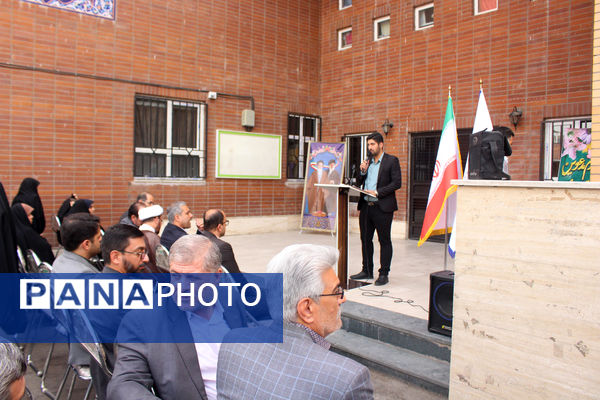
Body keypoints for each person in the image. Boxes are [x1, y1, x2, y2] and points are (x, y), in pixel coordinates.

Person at [217, 244, 374, 400]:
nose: (342, 299)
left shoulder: (233, 342)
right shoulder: (348, 380)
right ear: (307, 309)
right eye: (336, 291)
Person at [107, 235, 247, 400]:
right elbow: (124, 384)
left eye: (193, 278)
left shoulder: (229, 299)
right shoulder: (144, 319)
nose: (181, 287)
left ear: (217, 276)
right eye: (175, 275)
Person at [89, 224, 149, 400]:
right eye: (139, 253)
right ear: (115, 256)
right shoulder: (126, 295)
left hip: (105, 374)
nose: (145, 259)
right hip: (128, 374)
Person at [52, 212, 103, 375]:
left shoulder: (60, 261)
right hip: (92, 350)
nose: (102, 240)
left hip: (75, 339)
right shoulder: (83, 276)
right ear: (86, 244)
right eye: (99, 238)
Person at [350, 131, 402, 286]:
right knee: (365, 239)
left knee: (384, 240)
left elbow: (396, 183)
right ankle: (366, 270)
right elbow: (358, 183)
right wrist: (362, 171)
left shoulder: (391, 161)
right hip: (366, 206)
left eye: (372, 144)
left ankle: (384, 273)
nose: (370, 147)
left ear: (381, 145)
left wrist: (378, 192)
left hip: (382, 207)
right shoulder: (368, 162)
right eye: (368, 145)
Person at [198, 209, 241, 274]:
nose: (225, 225)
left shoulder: (196, 239)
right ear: (219, 227)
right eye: (225, 222)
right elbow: (235, 276)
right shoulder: (223, 247)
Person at [138, 204, 164, 272]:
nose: (161, 223)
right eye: (161, 220)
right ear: (156, 219)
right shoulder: (154, 238)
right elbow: (163, 265)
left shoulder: (135, 235)